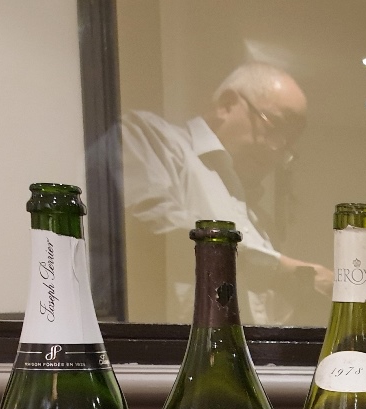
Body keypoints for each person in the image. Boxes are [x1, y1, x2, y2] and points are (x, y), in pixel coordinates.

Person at [121, 62, 331, 324]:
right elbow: (149, 227)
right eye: (274, 126)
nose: (276, 150)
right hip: (166, 350)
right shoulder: (150, 138)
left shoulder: (260, 222)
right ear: (227, 104)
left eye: (287, 143)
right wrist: (280, 271)